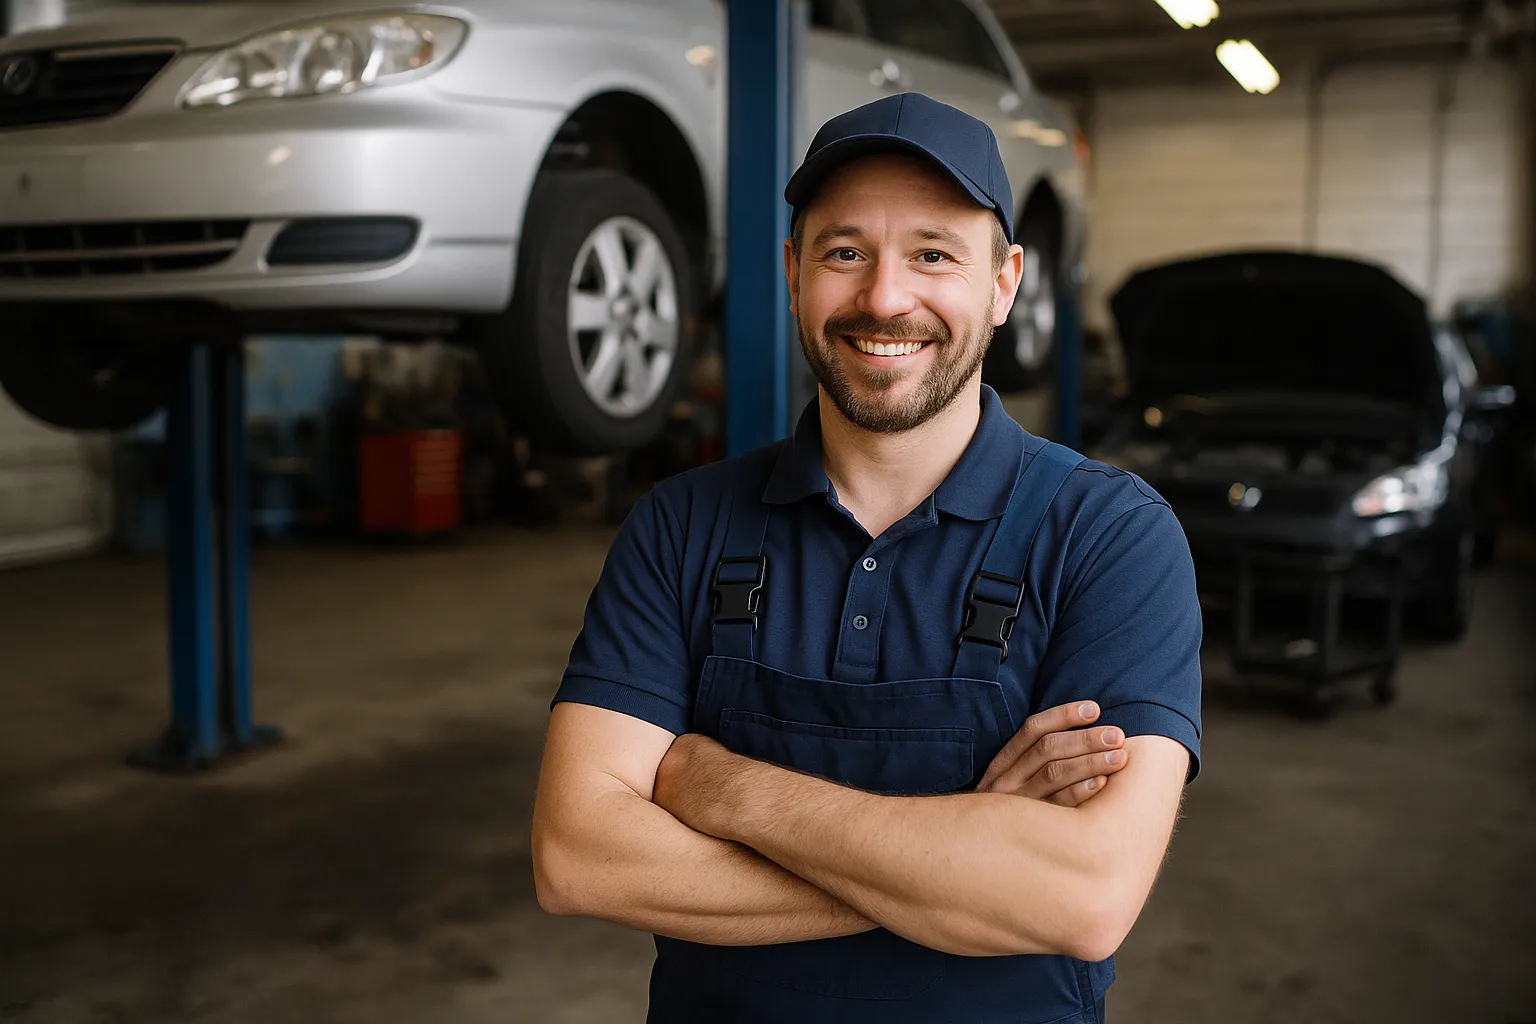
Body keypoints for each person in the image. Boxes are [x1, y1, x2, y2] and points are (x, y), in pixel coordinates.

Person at [531, 92, 1202, 1024]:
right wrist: (963, 864)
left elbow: (1085, 898)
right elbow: (578, 856)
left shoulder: (1109, 535)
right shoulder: (682, 524)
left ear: (1005, 282)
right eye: (845, 252)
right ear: (794, 274)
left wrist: (719, 787)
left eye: (934, 254)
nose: (886, 297)